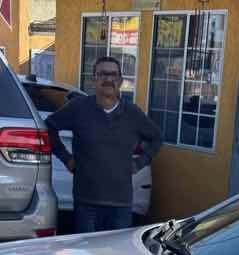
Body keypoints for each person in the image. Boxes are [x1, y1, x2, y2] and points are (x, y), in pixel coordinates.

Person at [45, 56, 163, 233]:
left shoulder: (132, 113)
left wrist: (139, 163)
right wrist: (66, 158)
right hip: (86, 202)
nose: (108, 79)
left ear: (121, 81)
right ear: (94, 80)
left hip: (121, 204)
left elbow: (157, 138)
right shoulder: (78, 108)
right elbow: (50, 127)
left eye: (113, 75)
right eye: (103, 74)